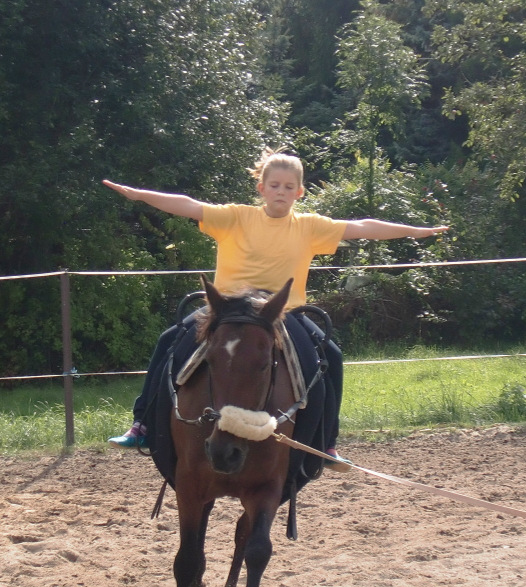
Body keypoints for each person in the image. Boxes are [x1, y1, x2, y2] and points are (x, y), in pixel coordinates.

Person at [104, 149, 448, 467]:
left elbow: (362, 228)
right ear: (261, 188)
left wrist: (412, 231)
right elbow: (188, 204)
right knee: (169, 340)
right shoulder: (235, 217)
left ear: (299, 192)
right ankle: (142, 425)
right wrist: (139, 195)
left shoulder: (310, 226)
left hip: (283, 313)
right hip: (229, 311)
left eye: (288, 186)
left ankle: (327, 444)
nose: (281, 191)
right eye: (274, 185)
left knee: (332, 355)